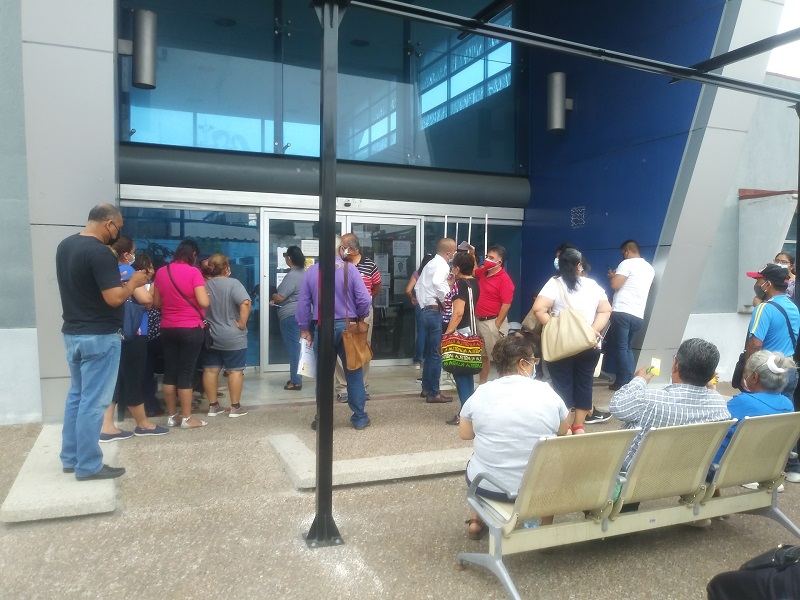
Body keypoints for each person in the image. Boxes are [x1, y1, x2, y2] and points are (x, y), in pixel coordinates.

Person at [56, 203, 149, 481]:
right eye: (118, 227)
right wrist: (133, 283)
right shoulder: (100, 252)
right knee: (94, 402)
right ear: (109, 223)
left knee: (77, 397)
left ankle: (71, 458)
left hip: (73, 332)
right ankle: (88, 465)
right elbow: (114, 298)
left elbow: (85, 285)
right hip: (99, 335)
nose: (117, 233)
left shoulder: (65, 246)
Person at [459, 335, 570, 539]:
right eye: (534, 361)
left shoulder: (481, 393)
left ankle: (476, 521)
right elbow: (563, 429)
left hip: (489, 487)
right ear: (522, 363)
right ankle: (544, 528)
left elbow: (465, 434)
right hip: (539, 489)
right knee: (551, 464)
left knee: (479, 458)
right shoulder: (546, 392)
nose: (535, 365)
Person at [610, 338, 731, 474]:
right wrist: (710, 387)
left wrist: (639, 380)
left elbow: (617, 406)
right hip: (679, 476)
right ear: (712, 375)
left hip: (629, 475)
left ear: (675, 366)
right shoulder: (719, 405)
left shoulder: (649, 399)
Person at [531, 248, 611, 434]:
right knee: (584, 384)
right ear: (579, 265)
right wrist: (592, 330)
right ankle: (578, 426)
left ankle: (565, 426)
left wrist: (554, 327)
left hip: (562, 345)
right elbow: (606, 309)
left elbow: (538, 308)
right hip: (590, 344)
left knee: (562, 385)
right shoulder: (592, 285)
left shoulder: (554, 284)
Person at [296, 240, 373, 430]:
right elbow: (364, 299)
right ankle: (359, 418)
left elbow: (303, 303)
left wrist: (304, 329)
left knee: (323, 376)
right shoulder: (350, 269)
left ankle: (322, 417)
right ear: (340, 249)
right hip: (348, 326)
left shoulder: (311, 272)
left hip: (322, 327)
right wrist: (360, 315)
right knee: (354, 372)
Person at [100, 238, 169, 441]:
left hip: (113, 332)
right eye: (133, 252)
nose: (134, 256)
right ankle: (143, 424)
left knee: (114, 380)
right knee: (134, 378)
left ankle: (107, 425)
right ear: (126, 254)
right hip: (134, 333)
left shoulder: (106, 272)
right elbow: (146, 300)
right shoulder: (127, 271)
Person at [743, 263, 800, 482]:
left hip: (765, 371)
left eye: (759, 280)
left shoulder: (764, 308)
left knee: (758, 419)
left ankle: (759, 473)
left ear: (767, 284)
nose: (757, 283)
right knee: (784, 419)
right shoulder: (793, 307)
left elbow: (755, 344)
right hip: (789, 369)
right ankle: (791, 468)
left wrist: (748, 371)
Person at [713, 351, 794, 490]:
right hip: (767, 470)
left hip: (723, 470)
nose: (744, 376)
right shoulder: (787, 405)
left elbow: (714, 426)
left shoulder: (743, 402)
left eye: (746, 372)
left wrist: (711, 392)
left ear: (755, 377)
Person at [153, 239, 210, 429]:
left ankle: (172, 416)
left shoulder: (162, 272)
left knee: (170, 373)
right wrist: (205, 296)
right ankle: (187, 418)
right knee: (186, 373)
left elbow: (157, 303)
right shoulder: (194, 272)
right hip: (190, 328)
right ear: (193, 255)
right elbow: (203, 302)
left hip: (167, 328)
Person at [201, 254, 251, 418]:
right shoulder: (233, 284)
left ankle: (213, 406)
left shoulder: (204, 285)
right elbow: (245, 302)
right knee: (235, 371)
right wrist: (242, 323)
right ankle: (235, 407)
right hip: (232, 336)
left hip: (210, 335)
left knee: (210, 370)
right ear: (226, 268)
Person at [335, 233, 381, 402]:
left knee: (362, 348)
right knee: (341, 351)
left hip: (363, 313)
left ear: (352, 249)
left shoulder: (369, 265)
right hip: (342, 312)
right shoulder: (339, 265)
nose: (340, 249)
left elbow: (377, 286)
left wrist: (366, 301)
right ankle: (343, 388)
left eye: (343, 246)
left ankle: (362, 386)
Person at [606, 240, 655, 391]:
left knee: (621, 347)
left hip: (622, 310)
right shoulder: (650, 268)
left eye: (623, 253)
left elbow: (616, 285)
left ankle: (622, 381)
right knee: (627, 347)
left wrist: (612, 276)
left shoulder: (626, 264)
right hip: (638, 314)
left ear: (627, 251)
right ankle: (631, 380)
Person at [415, 238, 457, 403]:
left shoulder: (430, 264)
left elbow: (418, 286)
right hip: (435, 312)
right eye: (453, 252)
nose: (453, 255)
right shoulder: (443, 265)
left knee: (429, 353)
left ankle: (426, 388)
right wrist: (447, 301)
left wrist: (423, 304)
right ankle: (433, 393)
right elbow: (438, 283)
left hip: (426, 310)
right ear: (448, 253)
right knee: (436, 354)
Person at [443, 251, 481, 426]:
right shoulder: (474, 282)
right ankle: (469, 410)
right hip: (470, 330)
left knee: (460, 372)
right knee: (466, 371)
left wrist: (448, 332)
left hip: (460, 331)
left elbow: (458, 312)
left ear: (457, 268)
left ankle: (465, 414)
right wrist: (452, 285)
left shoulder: (461, 285)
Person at [473, 244, 515, 385]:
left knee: (500, 358)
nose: (487, 260)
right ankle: (482, 385)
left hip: (493, 322)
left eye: (491, 258)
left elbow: (506, 304)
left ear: (499, 262)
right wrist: (472, 254)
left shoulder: (504, 279)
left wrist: (497, 324)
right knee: (483, 357)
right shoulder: (484, 272)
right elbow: (474, 271)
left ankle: (505, 386)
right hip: (479, 322)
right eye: (486, 256)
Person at [271, 245, 306, 391]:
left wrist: (273, 296)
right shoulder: (305, 274)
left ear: (289, 258)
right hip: (303, 315)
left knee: (294, 349)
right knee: (299, 348)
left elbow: (280, 297)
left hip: (291, 316)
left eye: (286, 256)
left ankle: (296, 381)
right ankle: (296, 377)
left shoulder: (292, 275)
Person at [406, 253, 435, 370]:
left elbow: (408, 290)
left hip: (421, 305)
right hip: (434, 306)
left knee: (421, 333)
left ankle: (418, 360)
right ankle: (430, 358)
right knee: (433, 333)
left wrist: (412, 298)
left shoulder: (417, 273)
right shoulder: (436, 273)